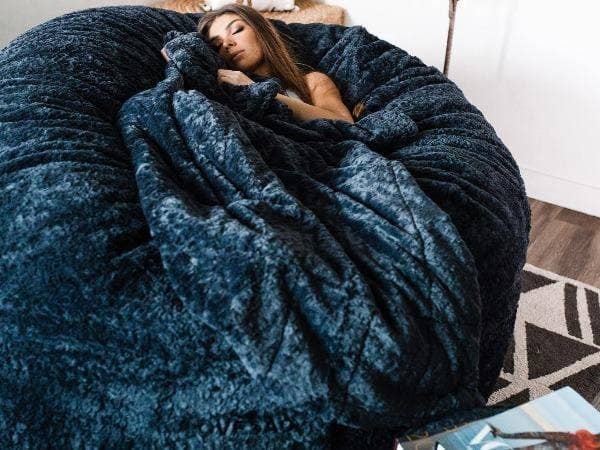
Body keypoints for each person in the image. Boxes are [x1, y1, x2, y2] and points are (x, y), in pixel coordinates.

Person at [162, 4, 355, 123]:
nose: (227, 43)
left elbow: (344, 122)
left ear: (261, 31)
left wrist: (259, 91)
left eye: (236, 30)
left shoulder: (311, 81)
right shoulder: (225, 84)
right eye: (217, 44)